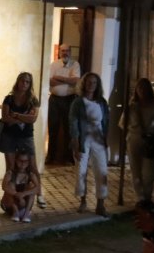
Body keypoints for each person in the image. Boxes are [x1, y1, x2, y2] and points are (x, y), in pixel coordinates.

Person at [121, 78, 154, 208]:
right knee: (135, 171)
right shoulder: (132, 106)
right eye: (139, 88)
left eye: (144, 87)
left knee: (149, 173)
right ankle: (140, 198)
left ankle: (147, 197)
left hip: (150, 140)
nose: (142, 90)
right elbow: (123, 123)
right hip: (134, 139)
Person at [69, 72, 109, 216]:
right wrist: (75, 144)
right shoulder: (78, 102)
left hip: (98, 139)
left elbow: (106, 121)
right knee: (81, 170)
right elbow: (73, 123)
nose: (91, 85)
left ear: (97, 85)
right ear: (84, 83)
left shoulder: (102, 102)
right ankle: (83, 200)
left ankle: (100, 203)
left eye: (94, 83)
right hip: (83, 139)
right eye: (89, 82)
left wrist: (106, 140)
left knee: (101, 170)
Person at [46, 45, 81, 165]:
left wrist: (59, 78)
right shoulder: (54, 65)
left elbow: (76, 81)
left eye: (67, 51)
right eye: (63, 51)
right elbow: (50, 81)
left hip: (69, 100)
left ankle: (68, 158)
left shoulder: (75, 64)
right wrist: (68, 80)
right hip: (54, 100)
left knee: (69, 129)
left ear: (70, 52)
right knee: (52, 129)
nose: (65, 53)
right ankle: (50, 156)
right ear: (59, 52)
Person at [1, 146, 40, 223]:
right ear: (16, 160)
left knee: (32, 186)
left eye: (25, 161)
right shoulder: (10, 173)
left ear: (28, 162)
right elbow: (4, 187)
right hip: (10, 204)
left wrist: (24, 194)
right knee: (10, 185)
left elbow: (37, 188)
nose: (23, 163)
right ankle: (15, 211)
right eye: (20, 161)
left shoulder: (31, 175)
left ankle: (26, 213)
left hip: (24, 204)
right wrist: (17, 195)